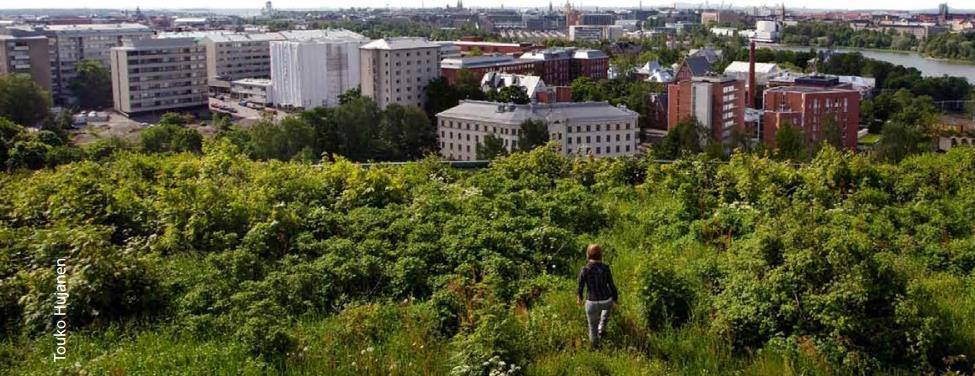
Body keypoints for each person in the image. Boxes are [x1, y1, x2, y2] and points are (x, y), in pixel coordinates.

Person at [576, 244, 618, 349]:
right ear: (601, 255)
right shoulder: (606, 268)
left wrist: (579, 298)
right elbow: (611, 285)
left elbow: (580, 287)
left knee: (592, 327)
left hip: (592, 302)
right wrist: (616, 299)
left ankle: (595, 348)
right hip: (606, 300)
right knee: (606, 311)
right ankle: (602, 327)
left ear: (587, 255)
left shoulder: (584, 269)